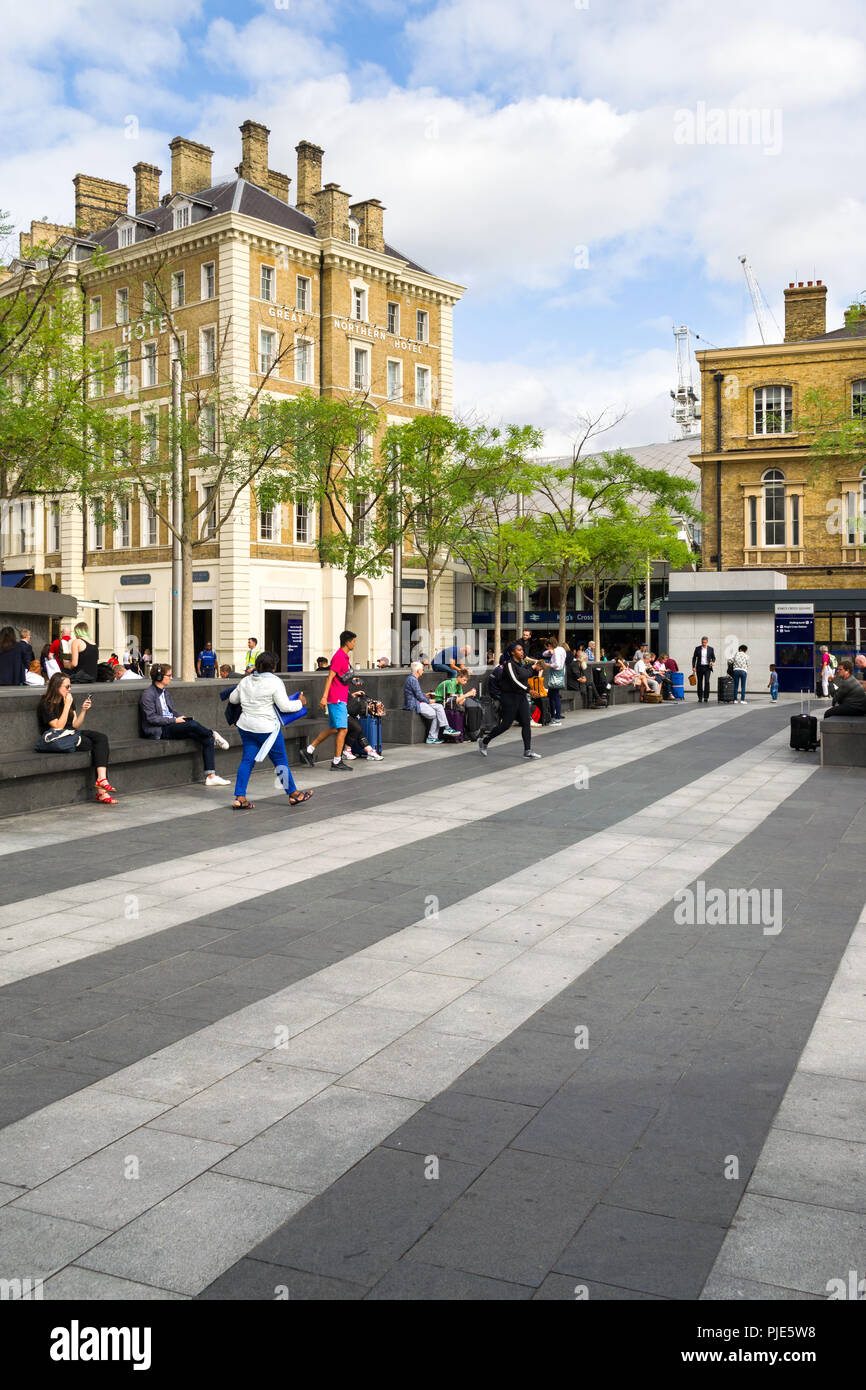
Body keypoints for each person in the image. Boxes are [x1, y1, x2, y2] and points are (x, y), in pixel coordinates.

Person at [228, 650, 313, 809]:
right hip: (267, 729)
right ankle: (293, 794)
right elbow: (285, 706)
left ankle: (240, 797)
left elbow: (233, 698)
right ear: (273, 667)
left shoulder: (246, 680)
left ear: (258, 665)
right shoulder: (275, 681)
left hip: (245, 726)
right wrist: (301, 703)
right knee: (280, 761)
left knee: (247, 761)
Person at [139, 664, 230, 785]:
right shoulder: (148, 694)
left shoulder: (166, 693)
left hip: (171, 724)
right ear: (160, 677)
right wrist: (173, 721)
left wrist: (179, 717)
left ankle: (211, 776)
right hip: (160, 730)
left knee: (205, 738)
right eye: (169, 675)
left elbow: (171, 712)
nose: (171, 678)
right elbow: (151, 718)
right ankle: (213, 733)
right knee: (192, 725)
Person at [37, 672, 117, 803]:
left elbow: (75, 724)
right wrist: (67, 705)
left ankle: (102, 779)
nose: (69, 690)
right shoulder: (46, 704)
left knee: (101, 738)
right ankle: (102, 791)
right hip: (58, 738)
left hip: (72, 734)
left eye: (70, 686)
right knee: (97, 747)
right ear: (56, 686)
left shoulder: (68, 700)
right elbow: (58, 727)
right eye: (66, 687)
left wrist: (83, 711)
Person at [299, 630, 358, 771]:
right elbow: (329, 677)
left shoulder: (344, 657)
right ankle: (336, 762)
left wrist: (353, 680)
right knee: (343, 729)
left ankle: (309, 750)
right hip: (336, 698)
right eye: (354, 641)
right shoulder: (339, 657)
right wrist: (324, 697)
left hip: (339, 697)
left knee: (334, 728)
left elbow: (340, 677)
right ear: (347, 642)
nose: (355, 644)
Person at [477, 641, 543, 760]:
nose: (522, 651)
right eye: (519, 650)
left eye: (522, 650)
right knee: (505, 725)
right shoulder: (509, 664)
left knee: (526, 723)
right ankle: (484, 740)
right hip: (509, 698)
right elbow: (514, 680)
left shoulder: (521, 664)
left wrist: (534, 668)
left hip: (521, 697)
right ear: (512, 652)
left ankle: (527, 751)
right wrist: (529, 690)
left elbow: (525, 674)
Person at [403, 661, 460, 744]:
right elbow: (418, 696)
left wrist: (425, 695)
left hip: (418, 702)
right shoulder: (413, 680)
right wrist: (429, 701)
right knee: (436, 713)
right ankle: (433, 736)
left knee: (439, 707)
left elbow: (416, 693)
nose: (423, 671)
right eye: (422, 669)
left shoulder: (411, 679)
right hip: (415, 704)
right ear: (418, 671)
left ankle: (445, 729)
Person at [541, 636, 567, 726]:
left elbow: (558, 665)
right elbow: (544, 654)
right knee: (553, 696)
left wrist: (547, 664)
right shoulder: (561, 649)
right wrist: (549, 651)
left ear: (550, 645)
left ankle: (557, 718)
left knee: (554, 697)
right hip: (560, 676)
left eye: (547, 647)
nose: (547, 649)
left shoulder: (556, 652)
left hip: (556, 676)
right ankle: (554, 717)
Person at [691, 636, 715, 703]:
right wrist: (693, 666)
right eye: (702, 642)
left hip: (707, 667)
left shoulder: (711, 649)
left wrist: (712, 661)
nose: (703, 643)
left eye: (705, 642)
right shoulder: (697, 648)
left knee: (707, 682)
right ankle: (700, 697)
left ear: (707, 642)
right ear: (701, 642)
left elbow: (713, 657)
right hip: (699, 667)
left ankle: (706, 697)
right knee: (699, 682)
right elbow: (694, 658)